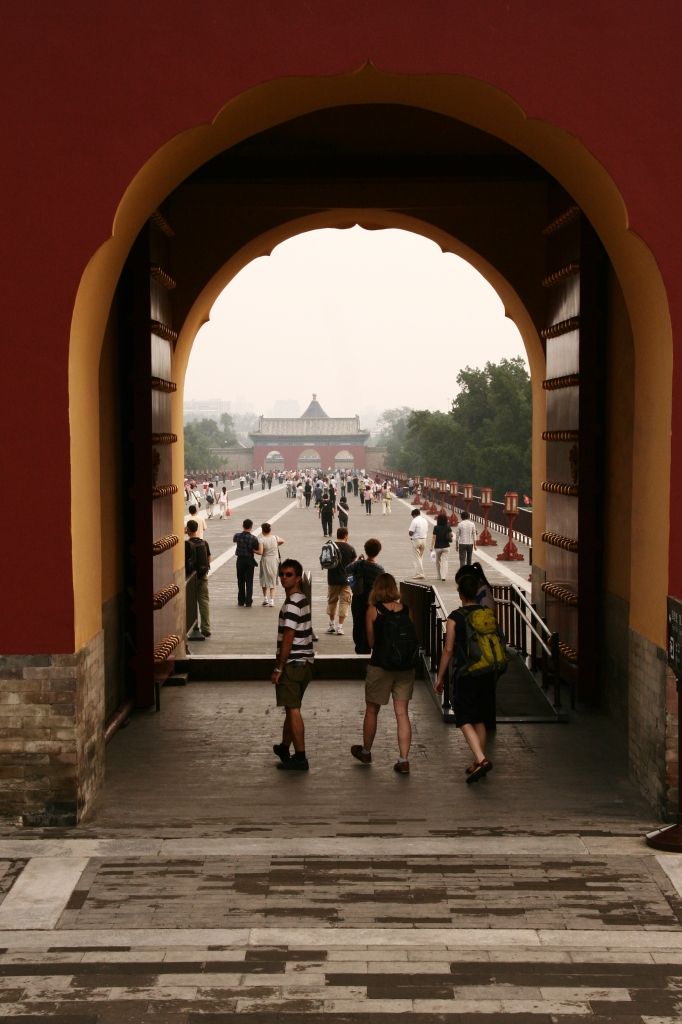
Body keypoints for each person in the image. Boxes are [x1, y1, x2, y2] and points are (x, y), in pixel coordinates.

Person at [350, 573, 416, 774]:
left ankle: (367, 751)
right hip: (405, 667)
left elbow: (371, 643)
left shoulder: (373, 611)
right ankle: (403, 760)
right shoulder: (406, 610)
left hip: (380, 665)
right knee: (402, 713)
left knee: (372, 710)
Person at [434, 573, 496, 783]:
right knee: (480, 718)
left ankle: (482, 759)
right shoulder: (487, 613)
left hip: (466, 673)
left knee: (463, 718)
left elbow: (448, 650)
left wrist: (440, 676)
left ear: (460, 594)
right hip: (487, 671)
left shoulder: (455, 617)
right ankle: (478, 761)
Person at [271, 558, 315, 771]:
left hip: (292, 664)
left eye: (288, 574)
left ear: (298, 578)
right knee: (291, 708)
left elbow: (288, 636)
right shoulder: (303, 600)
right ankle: (284, 746)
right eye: (282, 574)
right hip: (305, 662)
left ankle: (300, 756)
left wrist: (279, 667)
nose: (283, 578)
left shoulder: (291, 605)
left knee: (293, 709)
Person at [346, 538, 385, 653]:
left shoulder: (358, 564)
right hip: (372, 603)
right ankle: (368, 646)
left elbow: (347, 570)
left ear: (365, 550)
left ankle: (359, 646)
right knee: (371, 625)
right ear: (378, 551)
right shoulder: (379, 569)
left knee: (358, 623)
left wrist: (352, 583)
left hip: (358, 599)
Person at [325, 527, 356, 635]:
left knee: (332, 601)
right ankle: (340, 627)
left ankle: (331, 625)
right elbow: (353, 563)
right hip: (346, 579)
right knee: (345, 602)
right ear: (346, 535)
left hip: (332, 578)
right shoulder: (350, 548)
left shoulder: (330, 547)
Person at [185, 519, 212, 637]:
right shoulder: (204, 542)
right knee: (204, 602)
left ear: (188, 530)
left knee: (191, 603)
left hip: (191, 577)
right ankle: (206, 628)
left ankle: (193, 627)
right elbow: (209, 556)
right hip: (203, 575)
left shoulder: (187, 544)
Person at [233, 518, 261, 607]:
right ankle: (248, 601)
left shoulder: (237, 536)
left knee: (240, 581)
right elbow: (256, 548)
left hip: (240, 560)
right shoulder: (253, 538)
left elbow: (234, 540)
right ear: (251, 527)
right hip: (249, 560)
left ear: (243, 526)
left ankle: (241, 601)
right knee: (249, 581)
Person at [259, 522, 284, 606]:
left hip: (265, 560)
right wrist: (276, 545)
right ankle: (272, 601)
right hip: (274, 560)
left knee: (264, 579)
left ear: (262, 531)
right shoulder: (275, 537)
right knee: (273, 579)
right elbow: (283, 541)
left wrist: (253, 550)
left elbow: (261, 552)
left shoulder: (261, 539)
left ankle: (265, 598)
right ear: (270, 530)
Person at [431, 511, 453, 581]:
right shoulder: (448, 527)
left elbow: (434, 538)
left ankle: (439, 575)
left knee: (437, 561)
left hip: (438, 547)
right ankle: (444, 576)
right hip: (446, 546)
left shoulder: (436, 527)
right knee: (445, 561)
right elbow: (451, 535)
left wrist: (431, 547)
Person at [408, 507, 429, 579]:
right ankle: (418, 572)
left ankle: (421, 573)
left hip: (416, 540)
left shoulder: (415, 521)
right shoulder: (425, 520)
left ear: (414, 515)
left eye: (412, 516)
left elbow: (411, 532)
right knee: (420, 557)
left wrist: (410, 533)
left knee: (417, 558)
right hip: (424, 540)